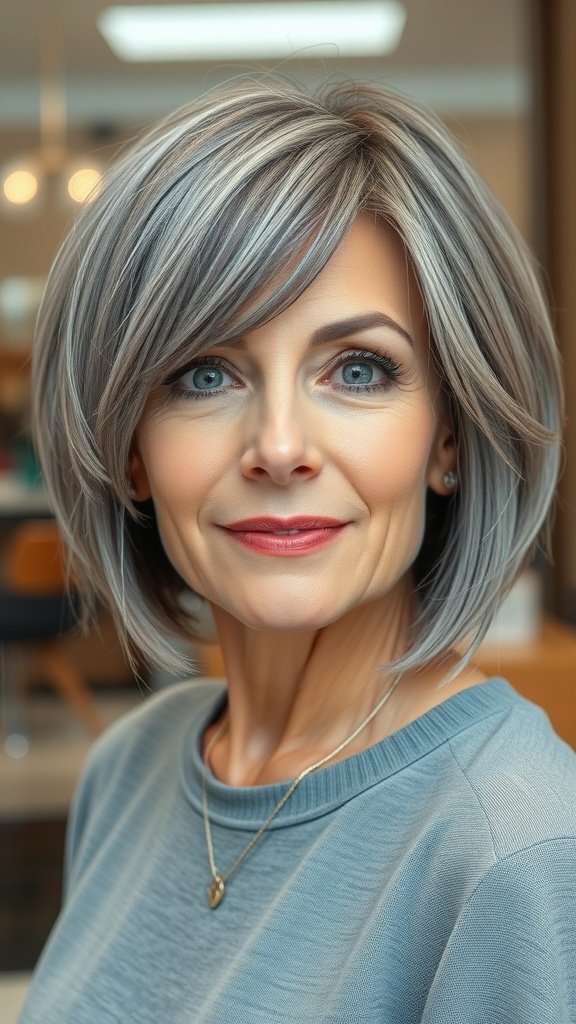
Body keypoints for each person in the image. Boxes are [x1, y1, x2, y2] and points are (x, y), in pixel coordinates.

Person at [20, 77, 576, 1023]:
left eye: (357, 370)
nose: (279, 447)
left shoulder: (516, 845)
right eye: (204, 374)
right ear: (132, 450)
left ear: (448, 439)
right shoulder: (132, 767)